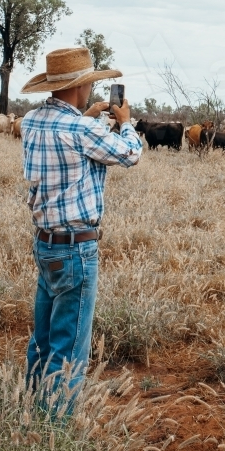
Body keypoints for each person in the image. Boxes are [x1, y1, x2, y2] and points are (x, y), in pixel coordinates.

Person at [19, 46, 142, 408]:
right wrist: (126, 122)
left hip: (45, 243)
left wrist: (87, 116)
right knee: (69, 350)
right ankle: (54, 433)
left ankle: (29, 414)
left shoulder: (31, 121)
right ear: (81, 86)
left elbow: (67, 133)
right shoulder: (80, 127)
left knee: (42, 341)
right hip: (76, 248)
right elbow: (129, 154)